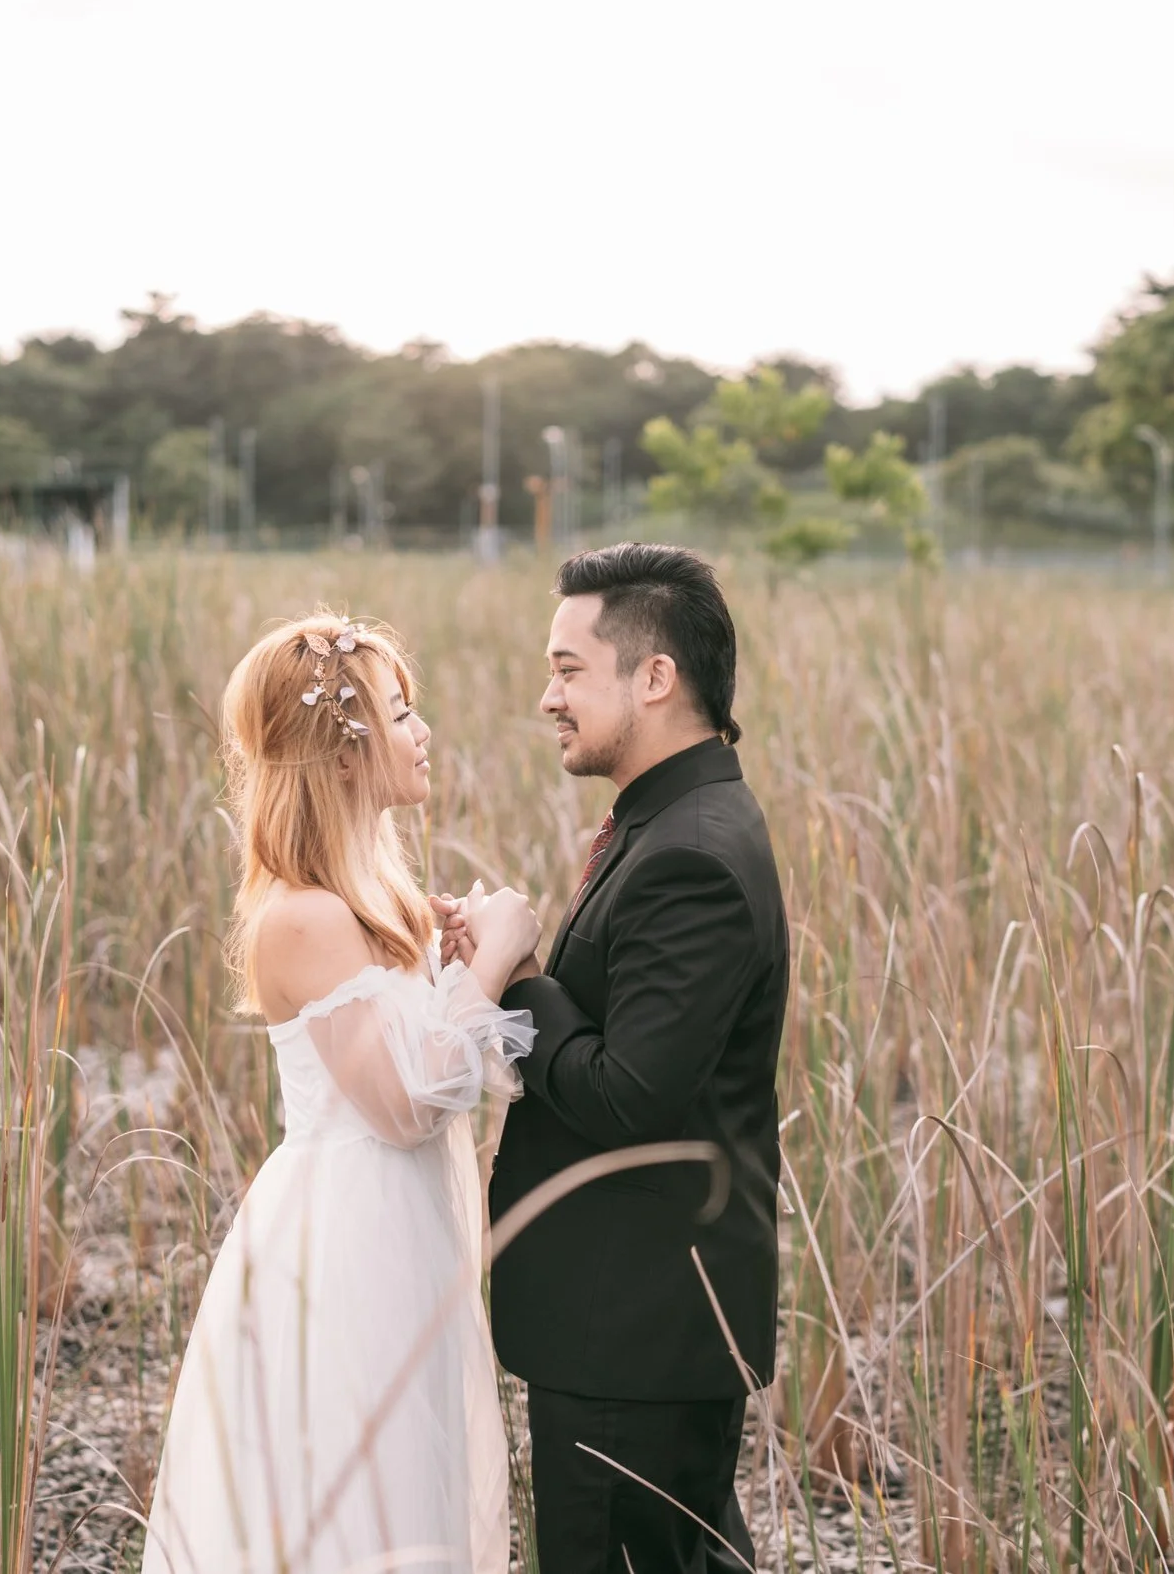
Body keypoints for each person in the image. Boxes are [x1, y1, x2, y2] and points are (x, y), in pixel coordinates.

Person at [142, 612, 543, 1574]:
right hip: (345, 1242)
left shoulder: (375, 904)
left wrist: (453, 961)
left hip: (403, 1227)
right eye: (401, 713)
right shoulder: (304, 916)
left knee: (414, 1493)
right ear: (344, 751)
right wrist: (489, 962)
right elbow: (401, 1107)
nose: (423, 732)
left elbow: (425, 1064)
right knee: (361, 1500)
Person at [438, 544, 787, 1574]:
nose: (547, 696)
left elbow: (630, 1094)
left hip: (632, 1326)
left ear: (654, 677)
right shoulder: (674, 817)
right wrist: (527, 966)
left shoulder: (689, 852)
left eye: (567, 668)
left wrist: (513, 975)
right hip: (643, 1320)